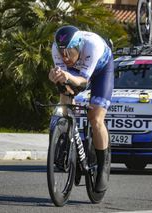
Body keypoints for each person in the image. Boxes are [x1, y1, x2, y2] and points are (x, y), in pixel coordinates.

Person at [48, 25, 113, 192]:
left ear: (78, 47)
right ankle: (68, 143)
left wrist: (68, 76)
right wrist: (56, 78)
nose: (65, 57)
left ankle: (103, 166)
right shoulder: (56, 48)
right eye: (62, 53)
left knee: (96, 119)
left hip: (100, 71)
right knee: (65, 101)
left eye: (69, 52)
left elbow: (83, 82)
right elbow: (65, 81)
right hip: (76, 72)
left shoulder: (92, 46)